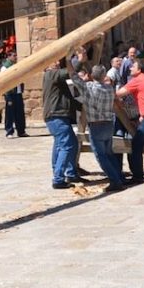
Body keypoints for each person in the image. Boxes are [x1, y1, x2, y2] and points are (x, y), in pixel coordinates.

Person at [75, 64, 123, 192]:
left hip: (96, 125)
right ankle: (119, 176)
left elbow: (74, 78)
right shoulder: (110, 89)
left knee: (101, 156)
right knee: (109, 153)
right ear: (103, 76)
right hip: (108, 124)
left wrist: (69, 61)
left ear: (91, 75)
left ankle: (115, 180)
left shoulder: (87, 88)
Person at [42, 60, 80, 189]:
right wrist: (79, 60)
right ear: (47, 65)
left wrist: (82, 106)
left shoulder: (56, 79)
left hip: (58, 115)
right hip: (56, 116)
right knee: (67, 145)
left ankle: (68, 173)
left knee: (64, 144)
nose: (57, 62)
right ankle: (58, 178)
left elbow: (68, 99)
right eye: (54, 60)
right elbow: (68, 73)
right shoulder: (50, 74)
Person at [0, 50, 28, 138]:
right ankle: (9, 131)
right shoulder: (5, 68)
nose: (16, 57)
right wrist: (7, 96)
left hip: (18, 92)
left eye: (16, 55)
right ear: (9, 56)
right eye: (14, 56)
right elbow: (4, 83)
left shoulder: (16, 66)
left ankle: (21, 131)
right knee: (10, 114)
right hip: (10, 94)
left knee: (20, 113)